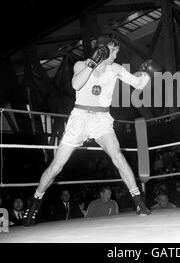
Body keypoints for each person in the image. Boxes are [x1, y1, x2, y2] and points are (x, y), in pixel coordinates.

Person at [23, 36, 162, 226]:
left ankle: (139, 202)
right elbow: (76, 85)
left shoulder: (115, 69)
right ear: (103, 49)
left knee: (117, 156)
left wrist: (147, 74)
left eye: (116, 51)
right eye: (113, 50)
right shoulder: (81, 65)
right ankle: (34, 206)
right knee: (56, 166)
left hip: (101, 120)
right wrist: (92, 63)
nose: (116, 54)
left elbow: (137, 84)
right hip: (79, 118)